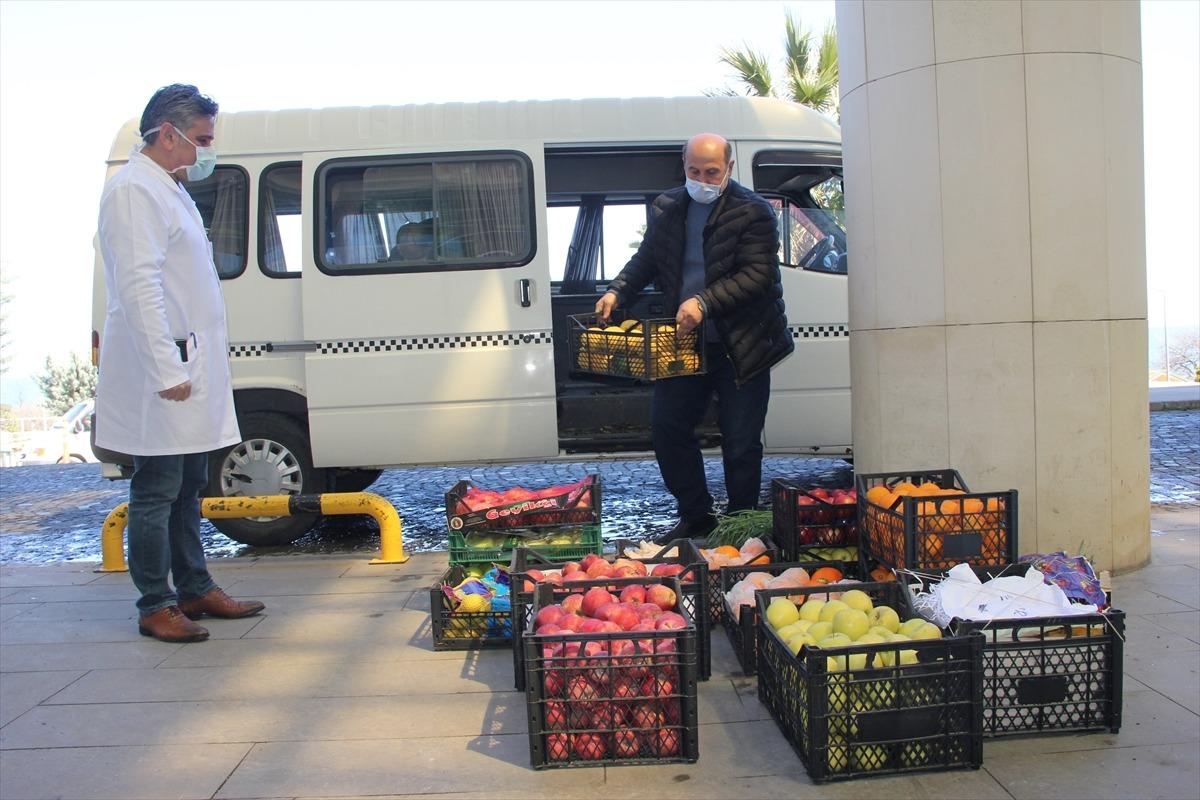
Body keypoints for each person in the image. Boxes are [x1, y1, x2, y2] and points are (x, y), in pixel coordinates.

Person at [95, 84, 264, 642]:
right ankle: (155, 602)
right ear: (167, 134)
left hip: (190, 364)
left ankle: (194, 585)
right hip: (162, 371)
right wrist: (167, 367)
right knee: (157, 487)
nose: (205, 151)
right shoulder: (132, 191)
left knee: (189, 483)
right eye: (201, 139)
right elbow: (139, 285)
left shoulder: (168, 187)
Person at [595, 133, 793, 542]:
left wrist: (703, 301)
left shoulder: (754, 212)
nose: (702, 179)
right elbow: (647, 259)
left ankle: (742, 526)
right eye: (694, 171)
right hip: (684, 345)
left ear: (729, 169)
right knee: (667, 427)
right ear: (683, 167)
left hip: (744, 344)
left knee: (740, 440)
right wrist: (618, 290)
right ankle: (696, 515)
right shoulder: (668, 208)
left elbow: (756, 275)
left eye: (711, 172)